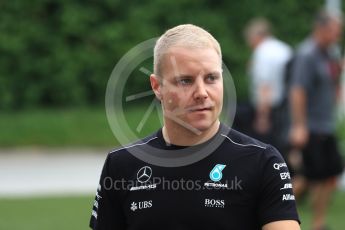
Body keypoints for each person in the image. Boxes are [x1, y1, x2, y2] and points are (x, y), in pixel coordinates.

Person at [90, 24, 300, 230]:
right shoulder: (121, 165)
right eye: (185, 81)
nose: (201, 92)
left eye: (211, 78)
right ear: (157, 87)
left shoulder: (263, 161)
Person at [289, 10, 344, 230]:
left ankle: (318, 224)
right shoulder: (307, 54)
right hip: (310, 127)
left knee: (328, 175)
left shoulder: (329, 53)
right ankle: (268, 211)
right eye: (334, 31)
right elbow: (297, 91)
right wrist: (299, 125)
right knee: (305, 177)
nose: (337, 35)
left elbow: (333, 82)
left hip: (326, 125)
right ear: (321, 29)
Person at [244, 18, 292, 154]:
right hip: (287, 108)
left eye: (250, 38)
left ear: (257, 36)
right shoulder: (284, 48)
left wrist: (262, 117)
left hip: (271, 111)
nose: (249, 43)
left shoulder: (262, 52)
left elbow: (264, 85)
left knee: (267, 151)